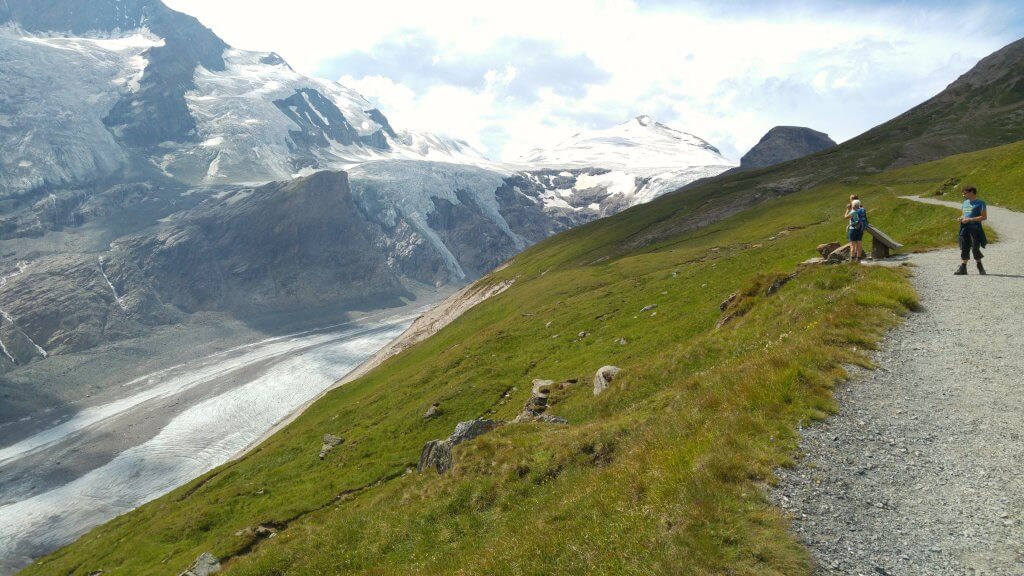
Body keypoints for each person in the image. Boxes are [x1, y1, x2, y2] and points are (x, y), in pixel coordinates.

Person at [955, 186, 988, 275]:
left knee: (975, 248)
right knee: (964, 247)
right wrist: (960, 218)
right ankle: (963, 268)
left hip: (975, 228)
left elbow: (984, 217)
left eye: (965, 193)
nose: (963, 195)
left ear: (972, 192)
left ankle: (979, 265)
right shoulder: (965, 203)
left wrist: (970, 219)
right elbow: (963, 215)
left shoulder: (980, 203)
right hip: (964, 228)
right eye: (963, 193)